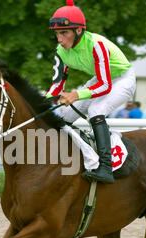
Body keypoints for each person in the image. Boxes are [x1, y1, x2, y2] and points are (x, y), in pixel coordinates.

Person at [46, 0, 136, 183]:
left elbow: (105, 86)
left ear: (79, 31)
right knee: (63, 118)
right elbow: (57, 86)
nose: (60, 39)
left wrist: (76, 95)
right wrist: (42, 102)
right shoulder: (61, 52)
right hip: (100, 78)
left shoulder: (96, 44)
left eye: (64, 33)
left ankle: (105, 168)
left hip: (122, 79)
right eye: (57, 34)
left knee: (96, 111)